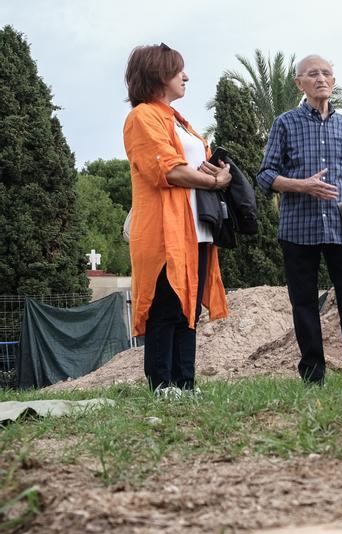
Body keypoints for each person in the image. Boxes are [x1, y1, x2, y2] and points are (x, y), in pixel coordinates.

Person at [258, 55, 342, 387]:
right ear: (300, 83)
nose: (321, 78)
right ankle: (313, 375)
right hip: (298, 229)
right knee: (304, 305)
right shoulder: (284, 123)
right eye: (313, 74)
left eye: (326, 73)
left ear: (333, 82)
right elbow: (265, 175)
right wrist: (301, 185)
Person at [123, 43, 231, 397]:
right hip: (164, 232)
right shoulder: (142, 117)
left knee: (188, 310)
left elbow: (193, 166)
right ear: (157, 74)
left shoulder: (179, 121)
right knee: (166, 308)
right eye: (177, 70)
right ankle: (162, 384)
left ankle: (185, 383)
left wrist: (219, 171)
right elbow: (167, 170)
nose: (185, 76)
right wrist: (215, 180)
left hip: (196, 231)